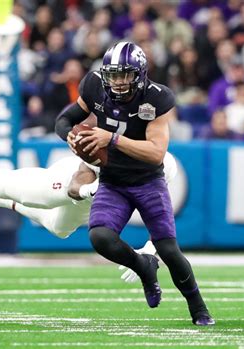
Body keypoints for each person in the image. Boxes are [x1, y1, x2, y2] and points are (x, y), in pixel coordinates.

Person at [54, 41, 214, 326]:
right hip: (113, 180)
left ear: (140, 74)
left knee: (168, 250)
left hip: (147, 180)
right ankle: (143, 266)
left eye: (124, 74)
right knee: (99, 237)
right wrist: (69, 135)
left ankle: (198, 307)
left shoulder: (157, 98)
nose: (117, 81)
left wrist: (111, 138)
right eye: (113, 75)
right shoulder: (93, 86)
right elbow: (65, 119)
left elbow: (156, 153)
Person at [0, 152, 177, 283]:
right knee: (3, 182)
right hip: (73, 183)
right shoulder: (117, 142)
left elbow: (161, 217)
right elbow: (81, 175)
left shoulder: (164, 169)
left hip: (98, 197)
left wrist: (149, 252)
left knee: (58, 229)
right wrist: (88, 188)